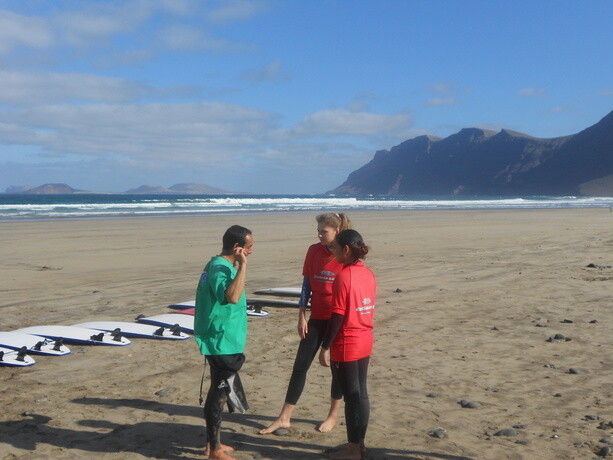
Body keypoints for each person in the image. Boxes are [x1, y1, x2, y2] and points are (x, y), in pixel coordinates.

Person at [259, 213, 351, 435]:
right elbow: (306, 285)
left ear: (337, 231)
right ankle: (284, 417)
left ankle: (332, 415)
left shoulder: (345, 253)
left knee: (337, 370)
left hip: (339, 319)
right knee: (300, 367)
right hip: (317, 317)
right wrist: (301, 314)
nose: (320, 235)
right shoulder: (313, 251)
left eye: (324, 231)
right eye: (318, 230)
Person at [194, 225, 254, 460]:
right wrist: (243, 266)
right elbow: (231, 297)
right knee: (218, 395)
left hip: (225, 339)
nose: (251, 252)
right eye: (249, 248)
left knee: (218, 391)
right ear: (238, 248)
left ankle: (213, 444)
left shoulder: (218, 265)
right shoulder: (220, 268)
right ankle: (214, 451)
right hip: (220, 341)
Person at [319, 229, 376, 460]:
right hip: (365, 339)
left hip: (347, 343)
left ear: (345, 249)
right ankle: (359, 444)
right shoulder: (368, 273)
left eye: (334, 247)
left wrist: (325, 347)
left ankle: (353, 450)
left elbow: (338, 315)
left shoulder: (343, 276)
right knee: (361, 393)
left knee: (352, 396)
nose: (331, 251)